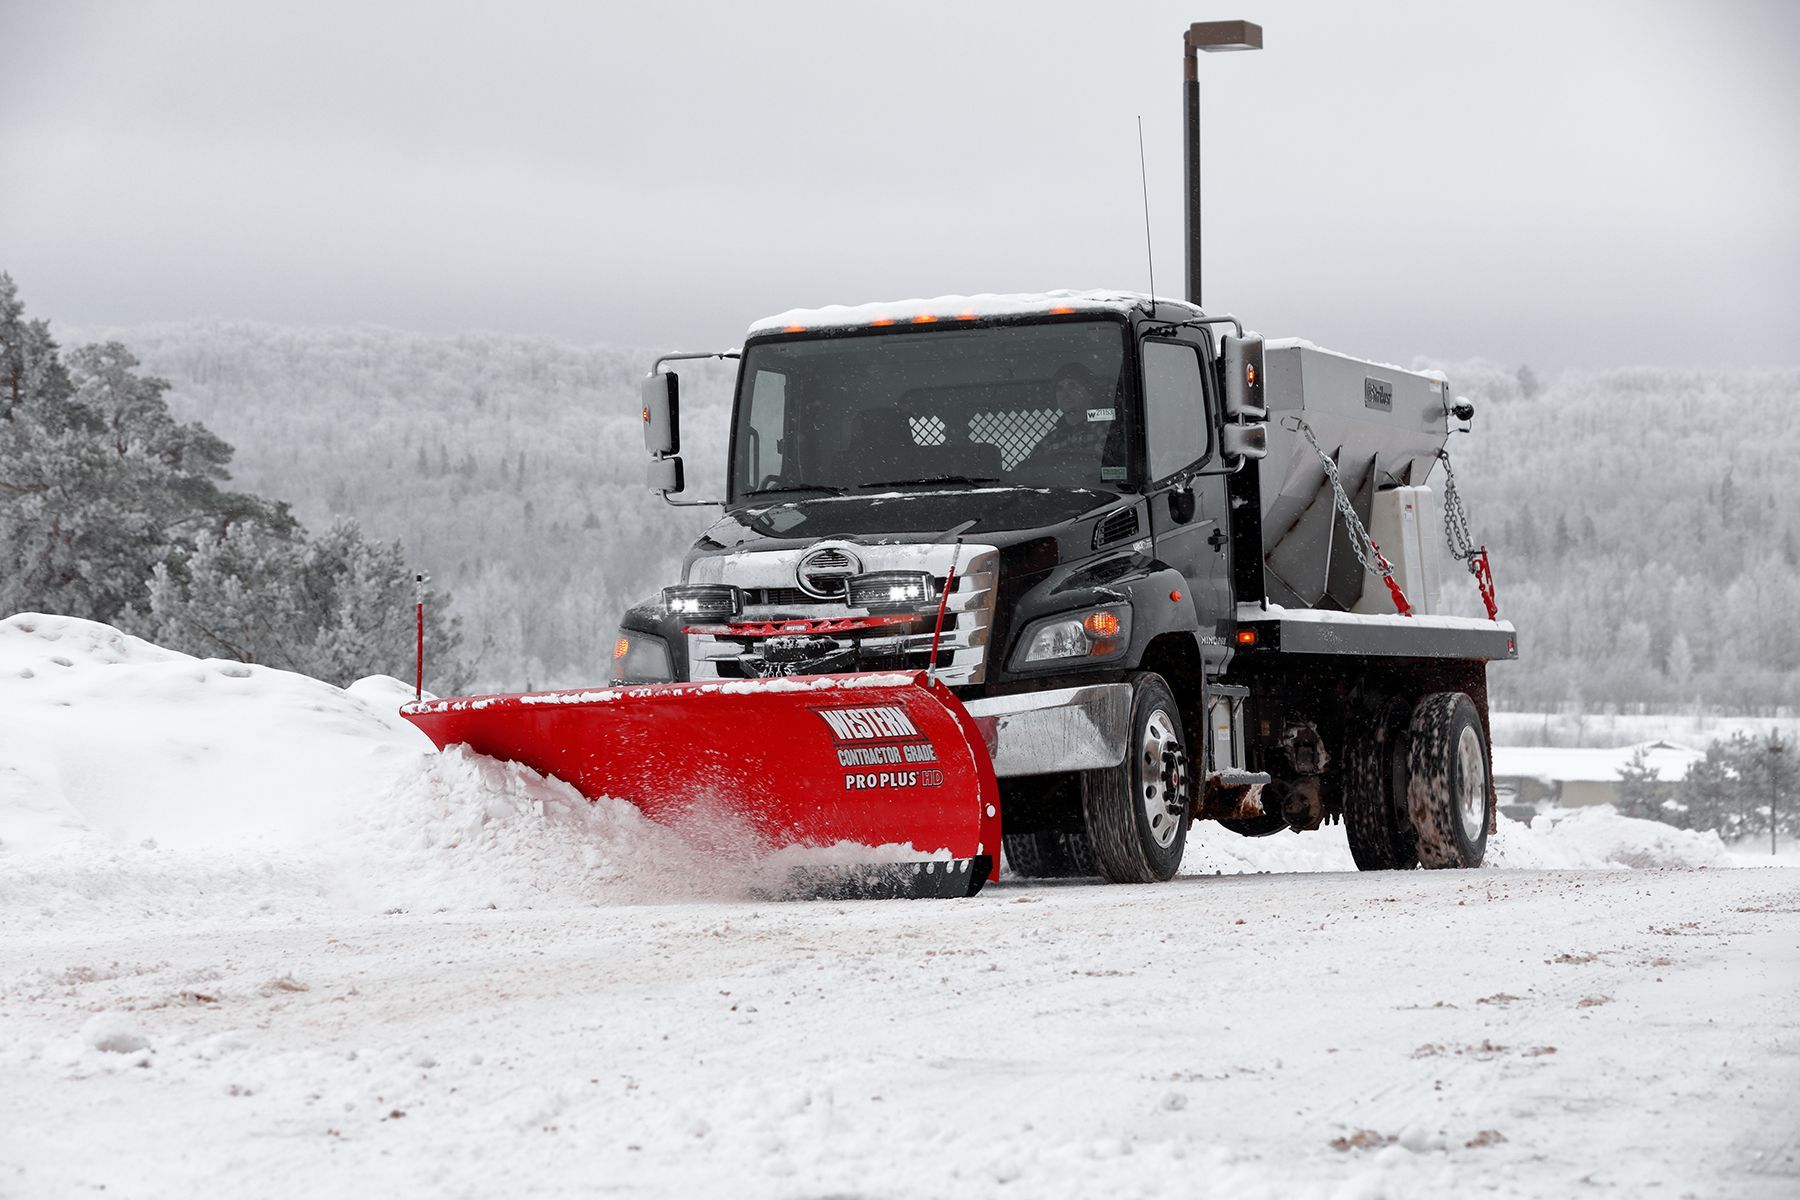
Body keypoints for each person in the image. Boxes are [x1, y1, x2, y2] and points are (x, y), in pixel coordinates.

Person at [1027, 362, 1121, 476]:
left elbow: (1117, 476)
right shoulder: (1049, 442)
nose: (1065, 393)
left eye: (1073, 386)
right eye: (1059, 388)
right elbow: (1029, 476)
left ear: (1089, 391)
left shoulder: (1109, 430)